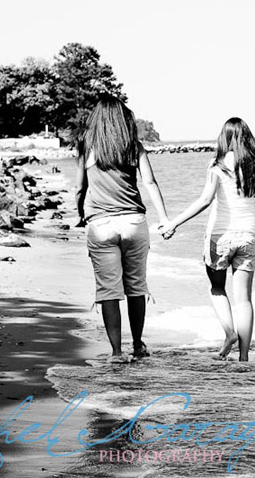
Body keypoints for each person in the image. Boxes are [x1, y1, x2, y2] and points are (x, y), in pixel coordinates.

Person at [163, 117, 255, 362]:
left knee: (217, 288)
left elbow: (205, 201)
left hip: (220, 237)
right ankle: (243, 359)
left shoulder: (218, 164)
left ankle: (230, 333)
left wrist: (173, 223)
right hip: (249, 236)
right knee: (244, 300)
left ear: (225, 138)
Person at [75, 96, 171, 364]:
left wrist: (80, 213)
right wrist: (164, 219)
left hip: (101, 225)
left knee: (108, 290)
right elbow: (150, 182)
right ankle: (138, 345)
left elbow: (79, 188)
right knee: (136, 287)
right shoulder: (133, 146)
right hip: (133, 223)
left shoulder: (87, 146)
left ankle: (117, 353)